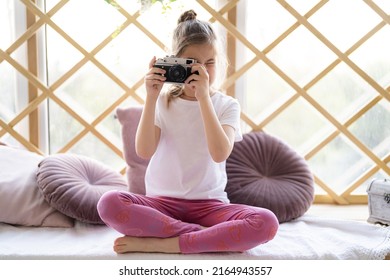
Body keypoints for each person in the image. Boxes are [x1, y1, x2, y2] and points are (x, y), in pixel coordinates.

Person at [97, 10, 278, 254]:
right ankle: (204, 238)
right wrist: (150, 98)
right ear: (177, 63)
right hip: (161, 204)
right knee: (108, 204)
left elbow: (219, 153)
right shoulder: (163, 102)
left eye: (210, 62)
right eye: (193, 64)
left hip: (210, 206)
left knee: (266, 223)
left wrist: (204, 98)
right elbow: (144, 150)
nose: (202, 71)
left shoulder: (227, 105)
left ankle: (165, 243)